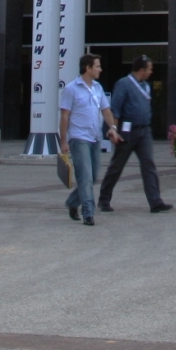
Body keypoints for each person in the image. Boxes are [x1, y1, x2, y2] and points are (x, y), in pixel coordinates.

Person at [99, 54, 172, 214]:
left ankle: (155, 201)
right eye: (149, 69)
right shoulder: (124, 84)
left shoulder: (146, 85)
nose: (151, 72)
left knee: (148, 165)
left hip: (144, 130)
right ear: (141, 70)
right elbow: (116, 109)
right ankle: (104, 198)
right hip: (127, 131)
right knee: (117, 166)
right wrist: (114, 129)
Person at [59, 52, 117, 226]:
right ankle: (88, 213)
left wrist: (112, 127)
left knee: (92, 177)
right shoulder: (71, 89)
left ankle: (72, 202)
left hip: (95, 137)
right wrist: (63, 141)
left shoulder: (98, 88)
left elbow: (106, 111)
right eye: (97, 66)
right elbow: (64, 117)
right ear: (88, 68)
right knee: (85, 177)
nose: (100, 69)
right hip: (78, 138)